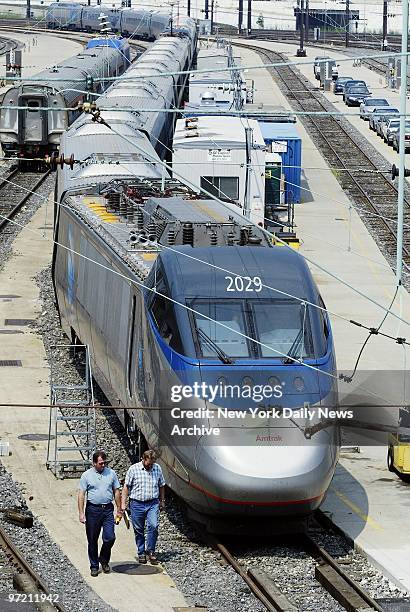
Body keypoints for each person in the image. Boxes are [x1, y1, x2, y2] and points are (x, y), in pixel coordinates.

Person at [78, 450, 122, 577]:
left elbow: (116, 491)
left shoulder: (111, 473)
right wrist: (81, 513)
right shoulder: (86, 476)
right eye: (101, 463)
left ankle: (103, 559)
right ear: (94, 463)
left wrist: (119, 509)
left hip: (108, 509)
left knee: (110, 537)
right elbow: (81, 494)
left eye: (104, 463)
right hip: (93, 510)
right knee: (92, 539)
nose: (103, 466)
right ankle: (94, 565)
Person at [121, 449, 165, 565]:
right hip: (136, 503)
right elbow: (126, 487)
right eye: (148, 463)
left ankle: (151, 551)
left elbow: (161, 485)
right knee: (139, 529)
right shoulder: (133, 469)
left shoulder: (157, 468)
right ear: (143, 459)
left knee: (153, 526)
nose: (151, 466)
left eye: (152, 463)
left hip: (152, 503)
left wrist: (162, 500)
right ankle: (141, 552)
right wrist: (123, 503)